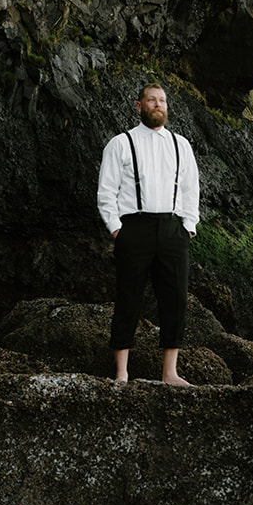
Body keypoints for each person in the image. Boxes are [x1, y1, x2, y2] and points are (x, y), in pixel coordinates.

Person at [97, 83, 200, 386]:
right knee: (128, 297)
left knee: (176, 299)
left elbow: (191, 189)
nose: (158, 105)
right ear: (139, 106)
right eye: (152, 100)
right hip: (134, 228)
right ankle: (121, 373)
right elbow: (106, 192)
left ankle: (170, 373)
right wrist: (117, 229)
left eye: (163, 101)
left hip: (173, 229)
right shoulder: (120, 143)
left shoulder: (181, 145)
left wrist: (188, 227)